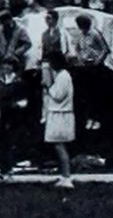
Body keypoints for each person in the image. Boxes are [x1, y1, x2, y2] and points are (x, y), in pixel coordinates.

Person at [43, 54, 75, 189]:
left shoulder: (63, 77)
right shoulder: (61, 76)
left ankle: (67, 177)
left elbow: (58, 95)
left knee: (60, 146)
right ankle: (63, 175)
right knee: (58, 146)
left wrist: (48, 87)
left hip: (61, 116)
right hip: (58, 114)